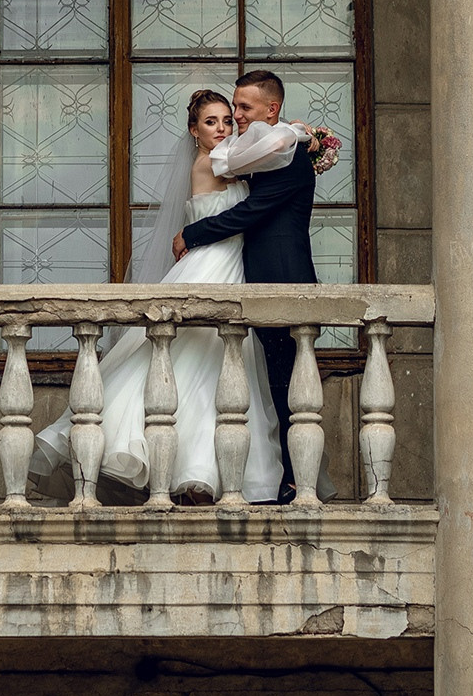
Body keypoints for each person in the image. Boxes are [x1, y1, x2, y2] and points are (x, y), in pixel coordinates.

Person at [28, 89, 290, 505]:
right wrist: (300, 134)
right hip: (210, 269)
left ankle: (211, 472)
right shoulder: (214, 162)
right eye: (211, 122)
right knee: (198, 364)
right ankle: (192, 471)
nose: (222, 128)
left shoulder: (233, 159)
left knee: (220, 369)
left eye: (227, 120)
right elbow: (268, 153)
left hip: (233, 269)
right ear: (193, 130)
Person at [173, 70, 317, 502]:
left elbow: (250, 211)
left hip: (284, 280)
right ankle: (278, 477)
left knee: (288, 386)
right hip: (249, 280)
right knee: (264, 384)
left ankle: (294, 481)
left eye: (243, 108)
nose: (235, 117)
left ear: (271, 110)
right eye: (231, 109)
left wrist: (192, 234)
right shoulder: (256, 153)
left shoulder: (289, 154)